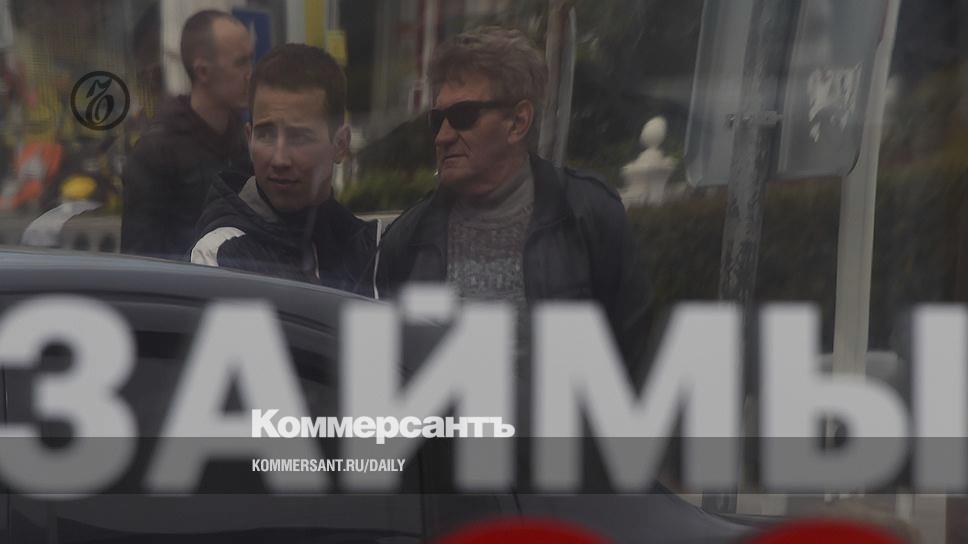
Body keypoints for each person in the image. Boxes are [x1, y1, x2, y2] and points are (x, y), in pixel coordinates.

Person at [375, 26, 652, 369]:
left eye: (463, 116)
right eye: (437, 119)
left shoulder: (588, 214)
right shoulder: (408, 239)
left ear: (518, 122)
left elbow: (631, 358)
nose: (443, 136)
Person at [190, 44, 378, 296]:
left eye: (299, 137)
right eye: (266, 135)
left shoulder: (368, 246)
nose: (279, 159)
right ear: (249, 138)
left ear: (340, 144)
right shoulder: (221, 253)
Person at [121, 10, 253, 259]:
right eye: (240, 63)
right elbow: (140, 260)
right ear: (202, 71)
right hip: (184, 281)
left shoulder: (244, 139)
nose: (250, 73)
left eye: (250, 60)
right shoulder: (157, 152)